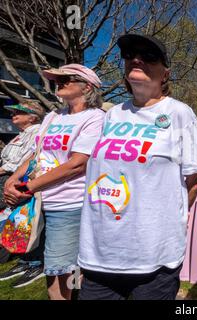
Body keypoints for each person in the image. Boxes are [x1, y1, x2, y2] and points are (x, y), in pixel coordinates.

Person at [77, 34, 197, 300]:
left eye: (149, 56)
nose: (137, 59)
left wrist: (167, 219)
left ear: (165, 73)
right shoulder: (112, 115)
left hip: (153, 257)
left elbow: (193, 177)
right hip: (99, 253)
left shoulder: (180, 114)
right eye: (130, 55)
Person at [3, 64, 105, 299]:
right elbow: (36, 154)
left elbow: (77, 164)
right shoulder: (53, 115)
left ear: (87, 86)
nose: (57, 81)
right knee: (52, 268)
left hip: (69, 205)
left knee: (65, 273)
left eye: (65, 79)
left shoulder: (96, 118)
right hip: (38, 203)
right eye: (56, 79)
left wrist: (27, 187)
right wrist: (14, 179)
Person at [0, 101, 45, 287]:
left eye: (19, 112)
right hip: (10, 178)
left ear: (32, 117)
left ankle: (34, 262)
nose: (14, 115)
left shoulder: (36, 131)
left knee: (27, 220)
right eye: (13, 112)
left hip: (20, 180)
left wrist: (5, 170)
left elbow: (28, 158)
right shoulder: (20, 135)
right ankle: (24, 260)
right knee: (17, 222)